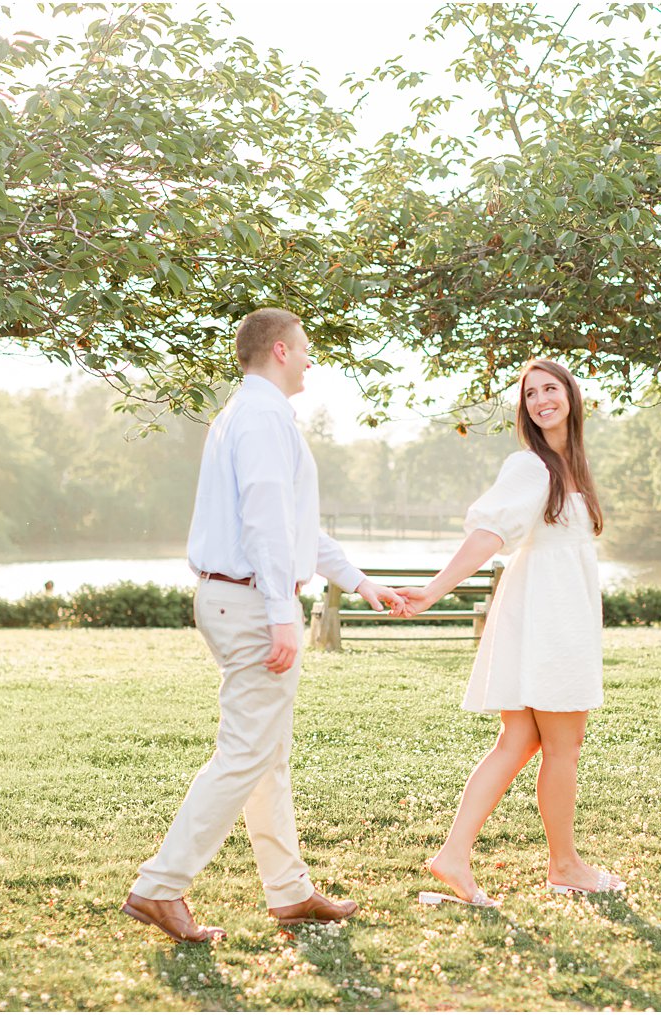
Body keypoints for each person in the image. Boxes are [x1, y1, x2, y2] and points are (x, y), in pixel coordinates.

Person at [122, 307, 405, 944]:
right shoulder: (260, 418)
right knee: (248, 750)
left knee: (266, 754)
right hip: (251, 603)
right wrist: (283, 612)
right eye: (305, 348)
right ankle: (160, 886)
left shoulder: (251, 415)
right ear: (279, 350)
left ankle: (289, 891)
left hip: (243, 598)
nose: (310, 360)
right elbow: (266, 524)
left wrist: (360, 582)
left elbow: (294, 524)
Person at [396, 358, 623, 907]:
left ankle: (454, 854)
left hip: (552, 612)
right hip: (549, 619)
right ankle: (565, 865)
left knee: (520, 741)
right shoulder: (531, 468)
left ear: (570, 394)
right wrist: (434, 589)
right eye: (531, 394)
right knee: (563, 747)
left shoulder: (571, 465)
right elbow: (489, 533)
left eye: (551, 388)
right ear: (524, 408)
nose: (542, 399)